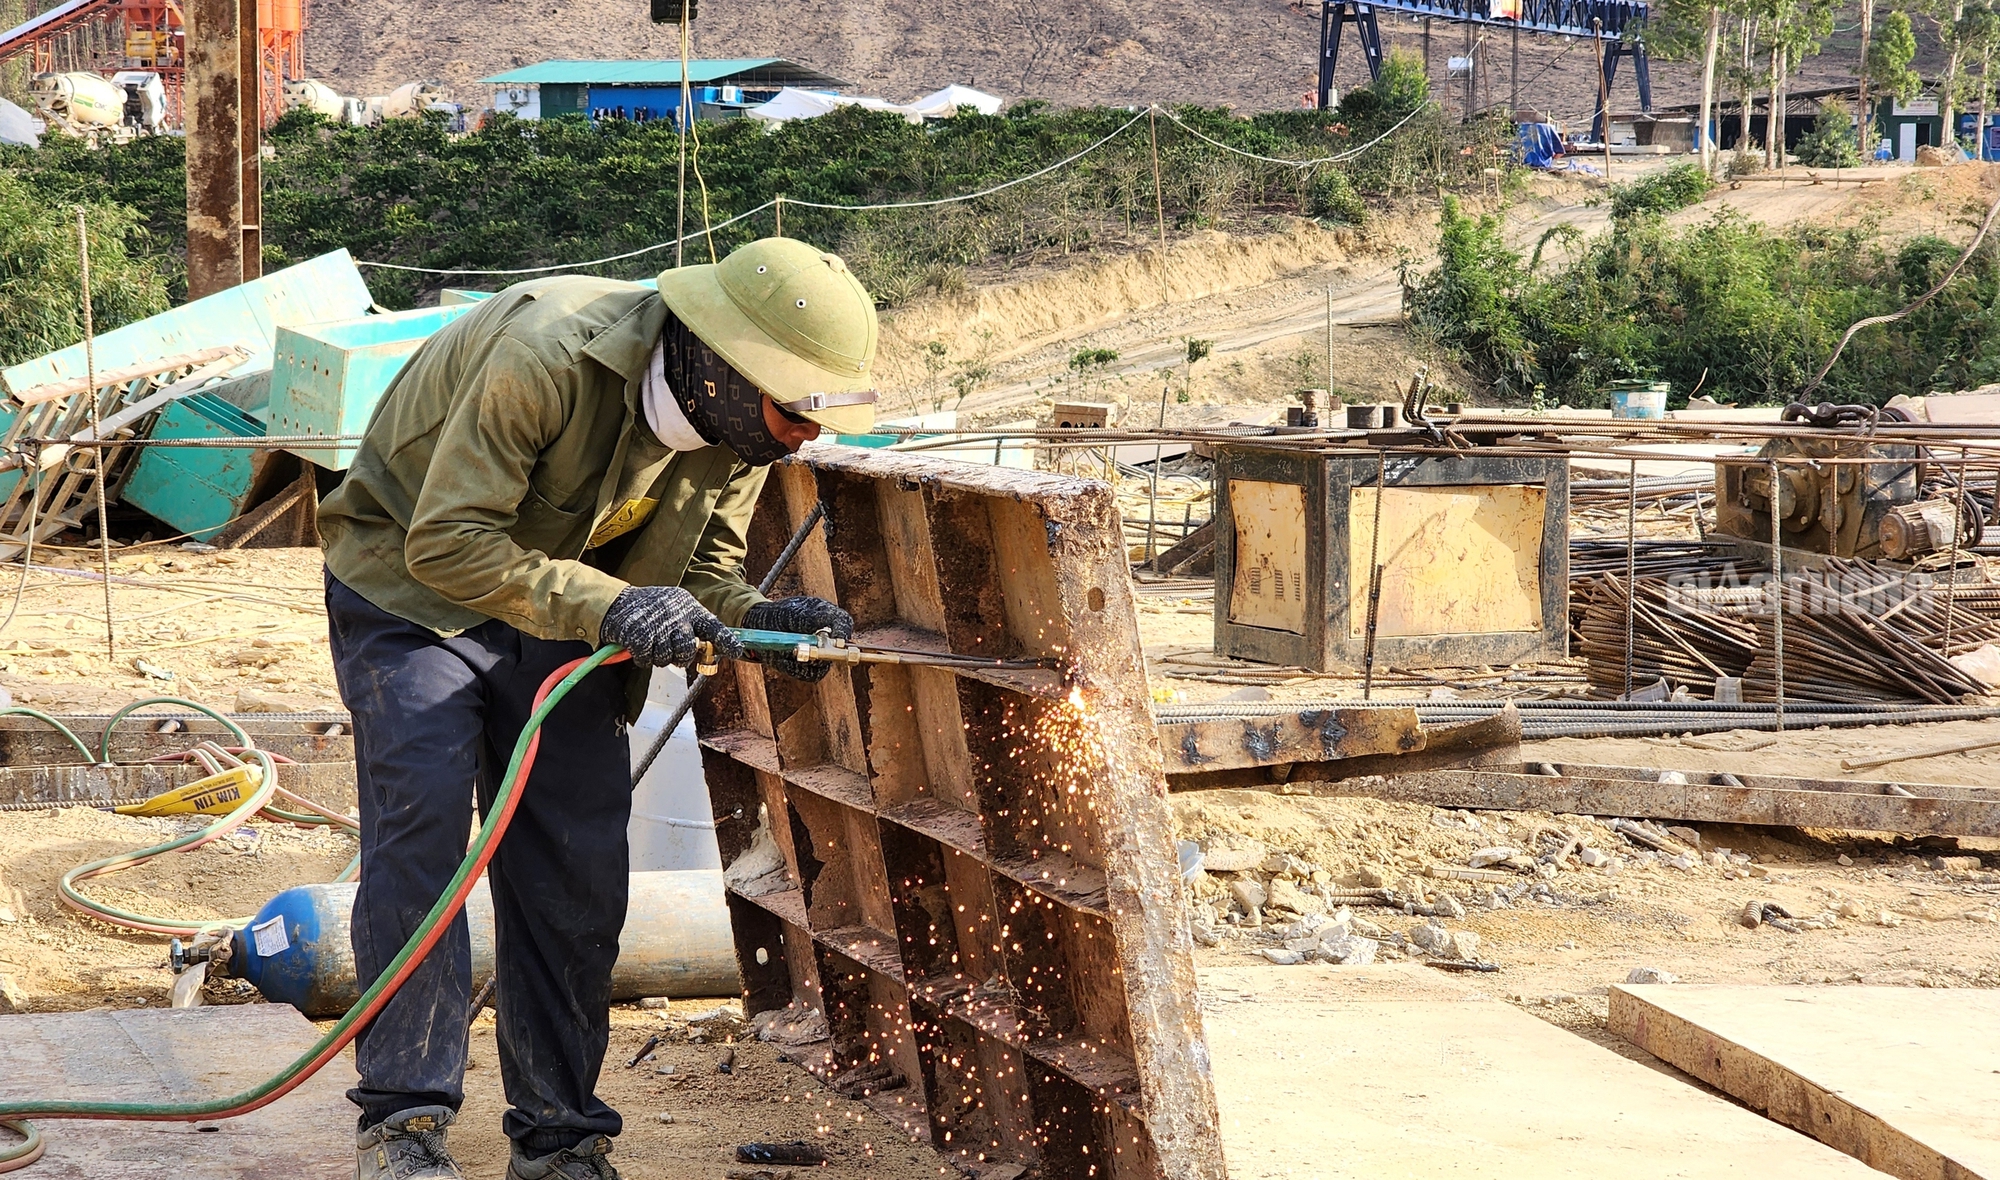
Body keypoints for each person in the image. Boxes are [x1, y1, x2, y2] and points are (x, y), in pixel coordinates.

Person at [317, 237, 877, 1180]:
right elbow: (447, 543)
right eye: (795, 411)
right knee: (421, 841)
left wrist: (761, 618)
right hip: (410, 590)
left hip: (562, 605)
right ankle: (403, 1125)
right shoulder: (544, 358)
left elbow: (706, 568)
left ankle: (559, 1137)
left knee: (577, 868)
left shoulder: (740, 427)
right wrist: (613, 605)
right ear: (724, 364)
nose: (804, 436)